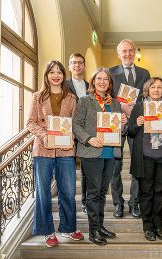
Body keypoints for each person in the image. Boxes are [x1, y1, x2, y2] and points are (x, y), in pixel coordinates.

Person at [27, 60, 84, 248]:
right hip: (43, 150)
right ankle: (47, 231)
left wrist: (73, 137)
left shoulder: (71, 98)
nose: (56, 75)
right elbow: (30, 122)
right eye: (52, 72)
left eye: (59, 72)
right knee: (43, 192)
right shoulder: (37, 97)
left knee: (67, 191)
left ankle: (68, 228)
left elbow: (76, 125)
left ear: (63, 76)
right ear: (47, 75)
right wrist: (44, 135)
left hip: (66, 150)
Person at [73, 67, 127, 246]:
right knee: (93, 193)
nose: (102, 82)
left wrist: (123, 123)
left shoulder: (116, 103)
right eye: (99, 79)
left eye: (106, 79)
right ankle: (93, 230)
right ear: (93, 82)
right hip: (92, 152)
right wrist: (89, 139)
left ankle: (100, 226)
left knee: (103, 193)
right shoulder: (84, 101)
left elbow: (120, 130)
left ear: (110, 83)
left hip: (110, 153)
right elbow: (76, 126)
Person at [128, 77, 162, 241]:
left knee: (159, 192)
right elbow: (130, 132)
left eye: (159, 87)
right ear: (147, 90)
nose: (156, 90)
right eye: (153, 87)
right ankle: (148, 227)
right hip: (145, 157)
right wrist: (137, 123)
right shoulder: (139, 107)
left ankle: (158, 226)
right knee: (146, 192)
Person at [109, 39, 151, 219]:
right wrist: (122, 108)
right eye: (124, 51)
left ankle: (135, 203)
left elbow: (148, 96)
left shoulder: (144, 73)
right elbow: (106, 96)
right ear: (119, 54)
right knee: (114, 167)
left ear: (135, 52)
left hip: (138, 125)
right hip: (116, 125)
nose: (127, 54)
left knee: (138, 166)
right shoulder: (110, 73)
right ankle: (118, 203)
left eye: (130, 51)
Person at [66, 52, 89, 214]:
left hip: (87, 132)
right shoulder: (64, 85)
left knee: (87, 170)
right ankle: (68, 201)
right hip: (68, 133)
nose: (77, 65)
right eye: (74, 62)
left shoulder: (91, 86)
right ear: (69, 67)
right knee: (68, 170)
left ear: (84, 66)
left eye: (80, 63)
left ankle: (85, 201)